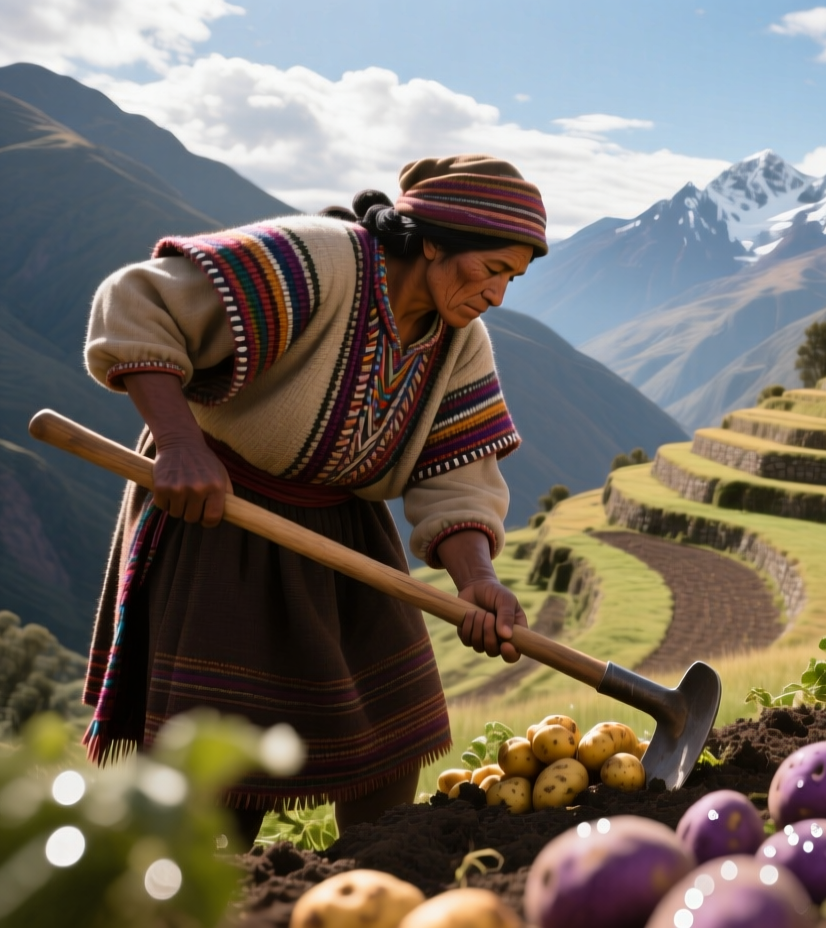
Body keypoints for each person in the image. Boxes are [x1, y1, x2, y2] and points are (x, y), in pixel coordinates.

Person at [82, 154, 546, 840]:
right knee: (228, 759)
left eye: (514, 277)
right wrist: (180, 444)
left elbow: (455, 469)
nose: (499, 295)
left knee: (392, 728)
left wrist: (475, 577)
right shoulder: (318, 261)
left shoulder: (460, 342)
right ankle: (212, 891)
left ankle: (377, 870)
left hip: (345, 526)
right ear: (434, 239)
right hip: (218, 510)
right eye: (492, 269)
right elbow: (135, 299)